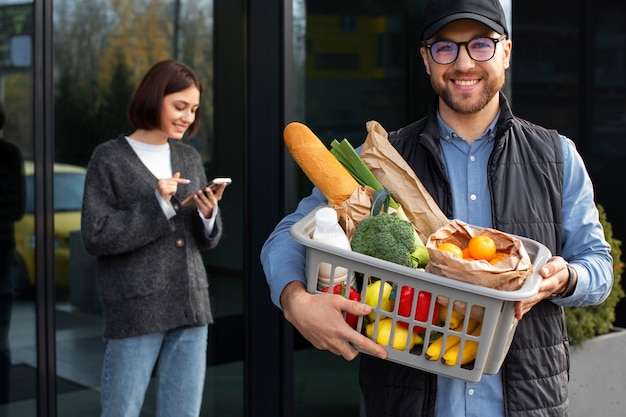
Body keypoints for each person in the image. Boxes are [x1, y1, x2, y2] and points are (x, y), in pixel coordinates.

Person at [260, 0, 614, 416]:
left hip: (526, 404)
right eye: (445, 48)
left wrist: (567, 277)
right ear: (426, 60)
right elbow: (288, 235)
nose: (463, 63)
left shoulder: (556, 156)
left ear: (506, 52)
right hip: (405, 400)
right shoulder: (381, 158)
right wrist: (296, 300)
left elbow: (598, 265)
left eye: (481, 45)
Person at [81, 59, 225, 417]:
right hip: (136, 309)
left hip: (191, 307)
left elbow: (202, 238)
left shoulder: (188, 157)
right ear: (153, 98)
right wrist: (157, 206)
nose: (188, 117)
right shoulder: (109, 159)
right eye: (180, 106)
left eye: (193, 109)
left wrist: (208, 215)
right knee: (121, 411)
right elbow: (95, 235)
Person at [0, 101, 26, 409]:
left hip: (1, 259)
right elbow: (17, 209)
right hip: (2, 257)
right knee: (0, 343)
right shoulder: (10, 155)